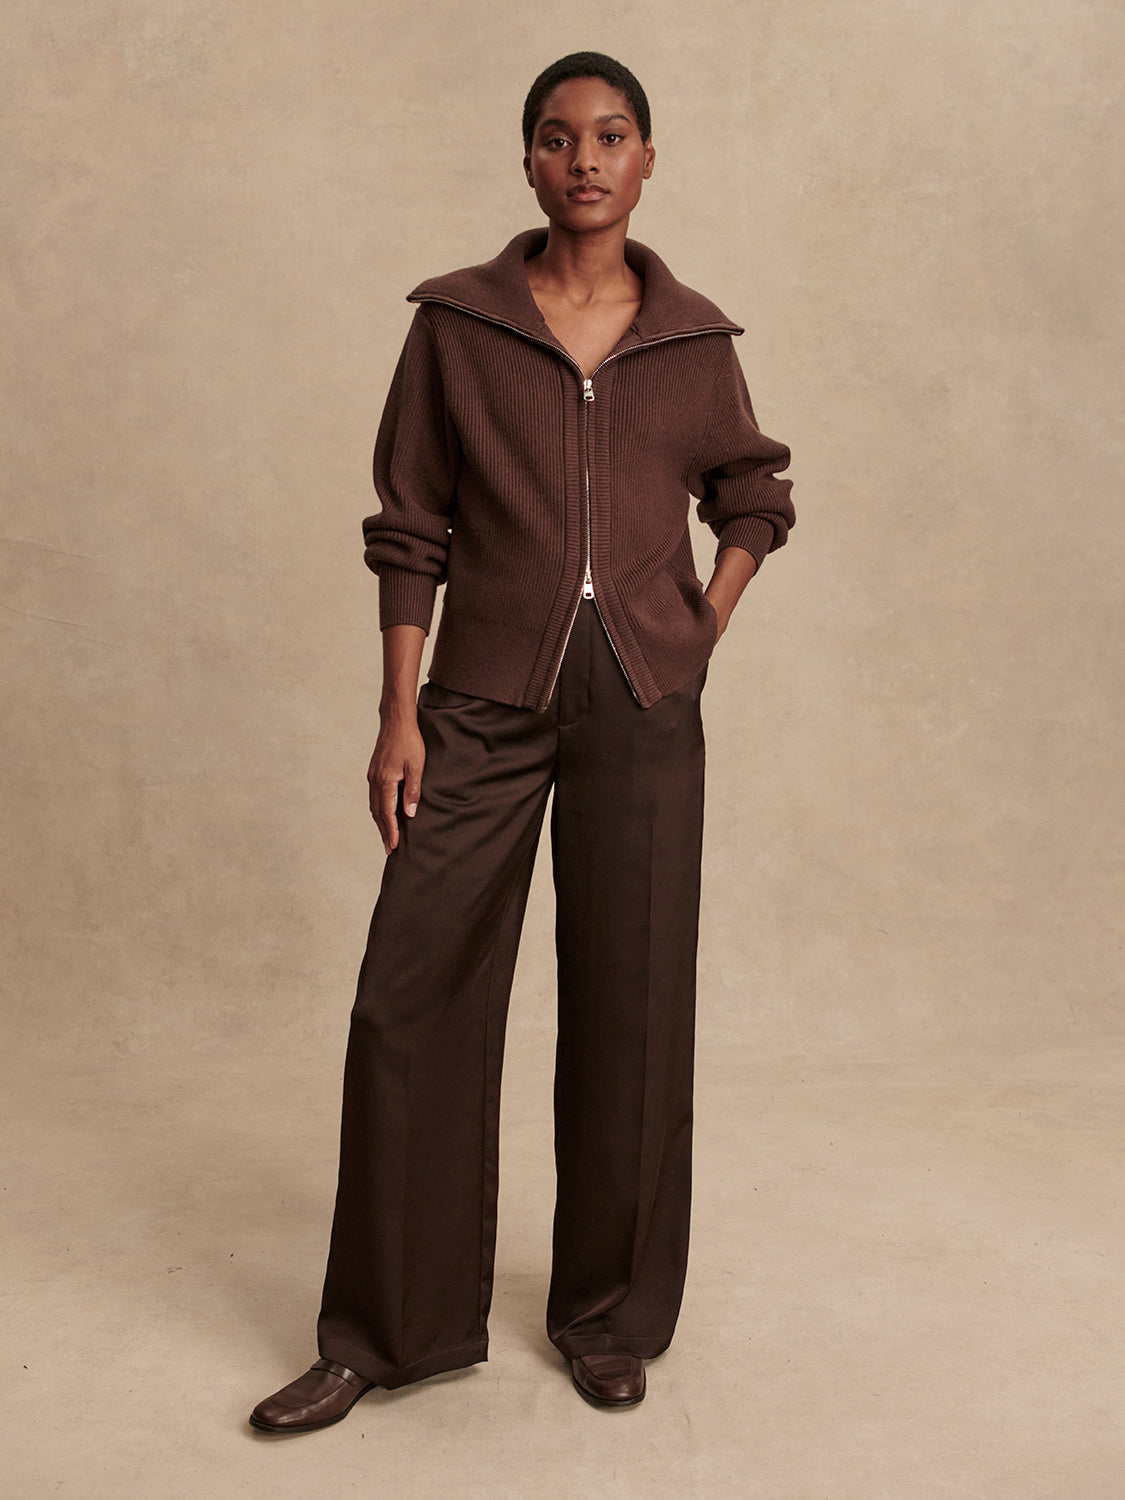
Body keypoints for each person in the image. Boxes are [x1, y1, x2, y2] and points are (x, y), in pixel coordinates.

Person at [249, 50, 794, 1432]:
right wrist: (397, 711)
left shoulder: (692, 343)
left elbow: (753, 493)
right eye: (557, 137)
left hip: (641, 698)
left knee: (632, 1008)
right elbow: (410, 521)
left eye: (610, 136)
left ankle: (609, 1318)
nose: (584, 159)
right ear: (530, 161)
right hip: (481, 695)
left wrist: (701, 624)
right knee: (410, 994)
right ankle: (385, 1331)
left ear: (648, 158)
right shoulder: (458, 324)